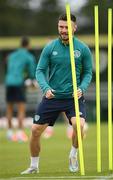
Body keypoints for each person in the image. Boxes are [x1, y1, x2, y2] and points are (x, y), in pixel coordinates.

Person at [21, 13, 92, 174]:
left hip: (74, 96)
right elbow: (39, 70)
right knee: (35, 131)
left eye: (67, 27)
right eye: (61, 27)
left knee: (78, 125)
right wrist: (46, 88)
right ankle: (34, 166)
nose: (64, 30)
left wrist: (82, 87)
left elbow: (88, 72)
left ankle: (73, 154)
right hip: (52, 97)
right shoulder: (50, 47)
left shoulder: (82, 48)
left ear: (75, 28)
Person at [5, 37, 36, 142]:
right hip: (18, 83)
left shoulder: (12, 55)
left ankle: (9, 133)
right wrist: (32, 80)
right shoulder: (28, 56)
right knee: (21, 109)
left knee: (9, 108)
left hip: (9, 82)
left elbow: (8, 66)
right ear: (28, 45)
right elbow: (32, 72)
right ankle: (19, 133)